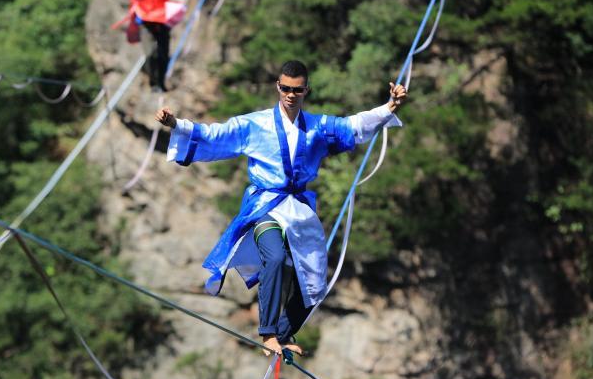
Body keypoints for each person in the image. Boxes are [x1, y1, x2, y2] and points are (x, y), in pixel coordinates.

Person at [155, 60, 408, 355]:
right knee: (274, 258)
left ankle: (284, 335)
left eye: (297, 90)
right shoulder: (254, 124)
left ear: (306, 91)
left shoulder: (317, 127)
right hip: (266, 206)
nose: (290, 95)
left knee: (315, 283)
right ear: (278, 87)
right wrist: (176, 124)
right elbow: (214, 135)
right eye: (285, 88)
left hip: (299, 210)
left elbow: (353, 125)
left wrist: (390, 106)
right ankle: (268, 333)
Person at [87, 0, 222, 93]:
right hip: (145, 21)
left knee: (164, 54)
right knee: (151, 52)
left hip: (162, 20)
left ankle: (161, 82)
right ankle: (153, 81)